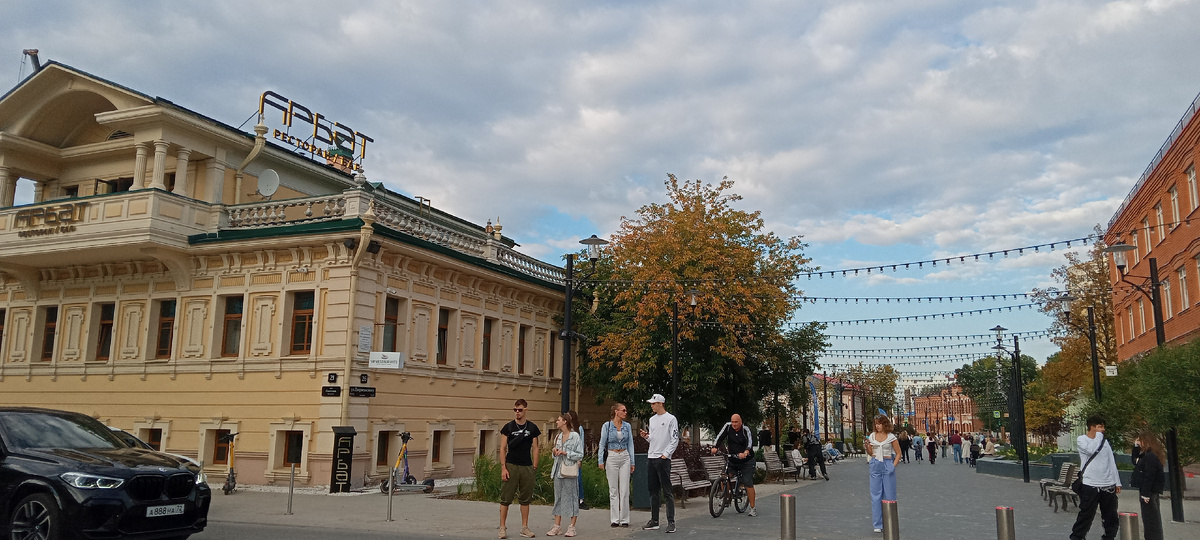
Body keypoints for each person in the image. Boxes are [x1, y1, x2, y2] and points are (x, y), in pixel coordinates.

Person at [1070, 416, 1121, 540]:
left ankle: (1109, 537)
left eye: (1103, 426)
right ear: (1092, 427)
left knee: (1110, 515)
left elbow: (1111, 462)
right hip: (1090, 484)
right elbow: (1091, 450)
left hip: (1107, 484)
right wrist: (1098, 436)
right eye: (1100, 426)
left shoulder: (1105, 442)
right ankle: (1077, 537)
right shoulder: (1082, 440)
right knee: (1086, 514)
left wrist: (1117, 482)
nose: (1103, 429)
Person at [499, 399, 541, 539]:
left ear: (526, 410)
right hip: (511, 465)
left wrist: (534, 465)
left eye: (520, 410)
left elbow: (535, 447)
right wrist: (503, 467)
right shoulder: (508, 427)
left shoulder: (532, 428)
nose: (517, 412)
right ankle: (502, 527)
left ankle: (524, 527)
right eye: (515, 410)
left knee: (525, 498)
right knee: (506, 497)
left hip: (526, 466)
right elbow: (503, 448)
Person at [640, 393, 679, 533]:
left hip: (662, 459)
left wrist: (666, 454)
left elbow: (675, 439)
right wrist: (647, 437)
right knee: (653, 490)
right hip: (651, 457)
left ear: (660, 404)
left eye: (653, 403)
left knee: (667, 491)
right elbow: (654, 438)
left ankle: (671, 521)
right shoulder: (652, 419)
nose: (651, 406)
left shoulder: (671, 419)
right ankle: (654, 520)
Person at [712, 414, 758, 516]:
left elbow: (750, 442)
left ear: (740, 422)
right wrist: (715, 447)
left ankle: (753, 508)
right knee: (724, 477)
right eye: (732, 422)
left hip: (746, 461)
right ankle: (726, 498)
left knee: (748, 482)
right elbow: (720, 437)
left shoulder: (745, 430)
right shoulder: (728, 427)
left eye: (736, 422)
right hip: (732, 458)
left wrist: (746, 452)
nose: (734, 424)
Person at [547, 411, 583, 537]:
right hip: (558, 470)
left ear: (565, 422)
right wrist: (555, 451)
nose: (557, 422)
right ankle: (557, 526)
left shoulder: (575, 436)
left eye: (558, 420)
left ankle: (572, 526)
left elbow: (580, 454)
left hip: (569, 471)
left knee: (572, 496)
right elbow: (554, 455)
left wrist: (566, 453)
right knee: (558, 497)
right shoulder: (558, 436)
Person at [598, 403, 634, 527]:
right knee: (613, 489)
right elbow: (602, 443)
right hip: (612, 456)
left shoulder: (627, 426)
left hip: (624, 455)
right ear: (616, 412)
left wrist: (632, 461)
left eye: (626, 410)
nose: (625, 412)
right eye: (623, 410)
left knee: (624, 489)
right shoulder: (607, 426)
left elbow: (630, 444)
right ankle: (614, 518)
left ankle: (624, 519)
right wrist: (600, 460)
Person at [865, 415, 901, 534]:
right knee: (875, 495)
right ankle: (877, 524)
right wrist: (867, 447)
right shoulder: (872, 436)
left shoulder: (891, 437)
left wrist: (893, 466)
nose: (877, 426)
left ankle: (889, 522)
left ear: (885, 424)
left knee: (889, 494)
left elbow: (898, 453)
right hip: (875, 463)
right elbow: (871, 452)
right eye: (876, 423)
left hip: (887, 462)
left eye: (879, 423)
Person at [1131, 430, 1166, 540]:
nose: (1138, 442)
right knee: (1149, 518)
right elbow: (1135, 461)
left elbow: (1149, 476)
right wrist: (1135, 447)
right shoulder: (1148, 455)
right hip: (1148, 491)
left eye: (1139, 441)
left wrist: (1145, 494)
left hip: (1149, 492)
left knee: (1151, 519)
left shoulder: (1151, 456)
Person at [567, 411, 588, 511]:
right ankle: (570, 499)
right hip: (567, 457)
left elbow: (581, 443)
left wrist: (580, 459)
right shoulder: (566, 428)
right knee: (568, 478)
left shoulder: (579, 428)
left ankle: (581, 499)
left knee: (578, 479)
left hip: (576, 456)